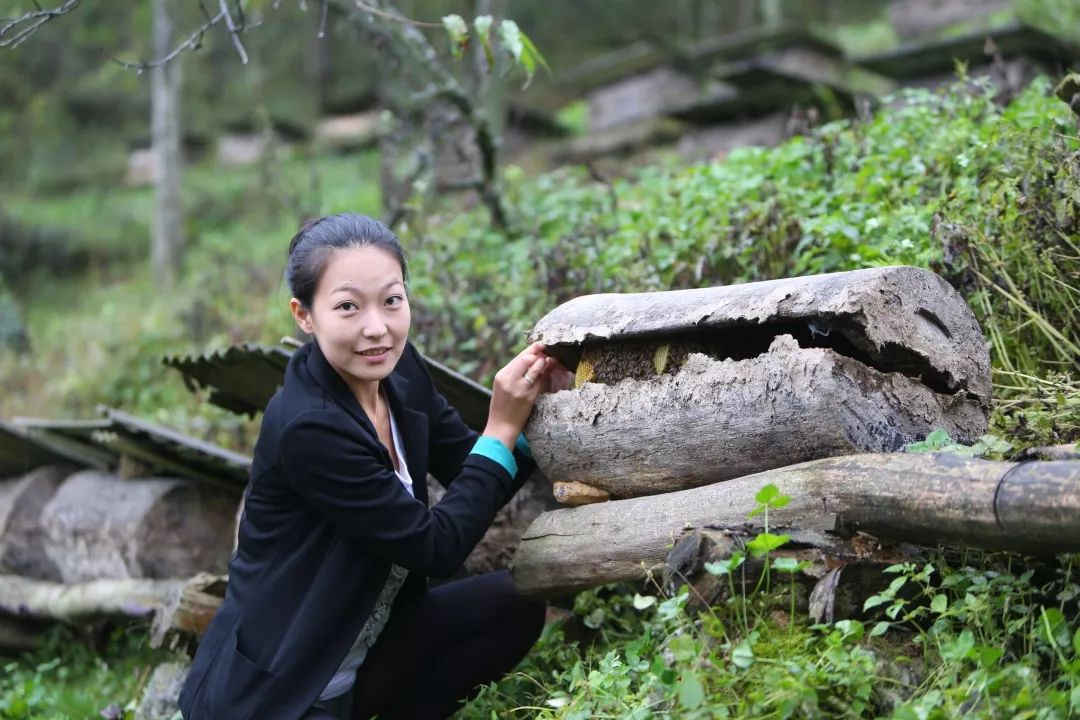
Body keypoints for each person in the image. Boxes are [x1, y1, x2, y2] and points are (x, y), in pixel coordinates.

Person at [178, 213, 571, 720]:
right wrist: (500, 427)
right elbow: (436, 548)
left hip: (367, 648)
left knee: (514, 603)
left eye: (392, 300)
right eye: (347, 307)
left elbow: (469, 469)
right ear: (304, 315)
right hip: (286, 690)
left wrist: (534, 412)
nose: (376, 328)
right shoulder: (309, 427)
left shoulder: (400, 371)